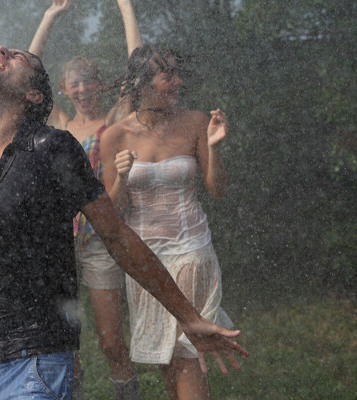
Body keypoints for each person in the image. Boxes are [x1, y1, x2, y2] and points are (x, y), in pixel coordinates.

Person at [0, 44, 248, 400]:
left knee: (119, 344)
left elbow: (116, 235)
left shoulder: (51, 148)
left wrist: (188, 316)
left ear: (33, 94)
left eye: (18, 57)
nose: (1, 49)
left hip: (33, 361)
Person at [100, 45, 234, 400]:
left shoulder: (194, 122)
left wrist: (214, 147)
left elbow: (216, 190)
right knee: (167, 360)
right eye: (167, 74)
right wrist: (121, 179)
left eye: (177, 72)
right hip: (145, 260)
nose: (177, 81)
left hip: (191, 250)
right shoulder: (115, 136)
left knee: (188, 357)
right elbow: (110, 214)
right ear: (143, 83)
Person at [28, 1, 142, 397]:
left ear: (101, 84)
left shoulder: (114, 121)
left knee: (111, 342)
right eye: (74, 83)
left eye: (89, 80)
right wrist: (48, 17)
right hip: (58, 241)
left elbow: (138, 71)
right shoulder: (60, 124)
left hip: (98, 242)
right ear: (63, 89)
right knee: (64, 342)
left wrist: (126, 7)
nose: (82, 88)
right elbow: (27, 75)